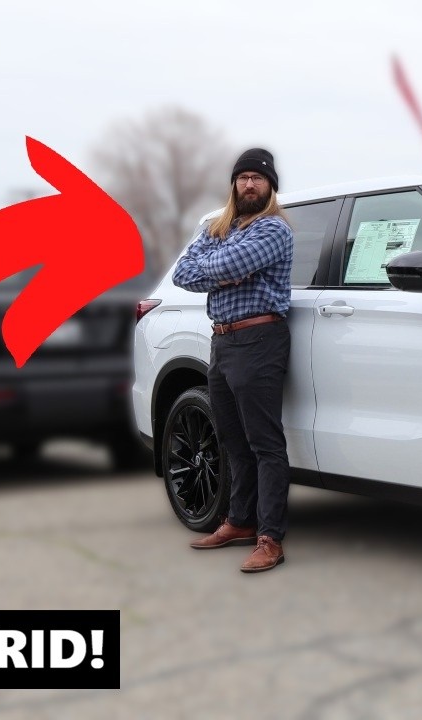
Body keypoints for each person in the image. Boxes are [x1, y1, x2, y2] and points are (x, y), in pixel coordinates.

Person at [171, 148, 293, 573]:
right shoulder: (217, 227)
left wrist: (218, 268)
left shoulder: (274, 229)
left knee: (265, 443)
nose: (249, 184)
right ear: (234, 185)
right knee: (232, 440)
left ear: (270, 186)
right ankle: (240, 521)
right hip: (221, 341)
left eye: (257, 178)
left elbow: (227, 263)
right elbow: (182, 273)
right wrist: (223, 270)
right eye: (243, 178)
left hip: (260, 338)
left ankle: (270, 538)